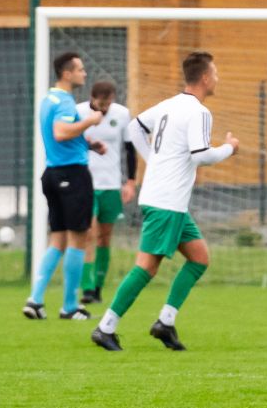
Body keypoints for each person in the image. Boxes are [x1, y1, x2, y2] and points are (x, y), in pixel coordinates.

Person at [91, 52, 238, 351]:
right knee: (146, 267)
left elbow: (134, 128)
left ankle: (165, 323)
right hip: (166, 201)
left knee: (199, 259)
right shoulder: (198, 112)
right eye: (216, 73)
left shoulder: (170, 104)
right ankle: (105, 327)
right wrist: (228, 149)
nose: (218, 79)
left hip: (169, 200)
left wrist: (154, 162)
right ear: (206, 78)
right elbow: (200, 154)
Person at [24, 53, 104, 321]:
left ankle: (35, 300)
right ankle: (70, 306)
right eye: (80, 69)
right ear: (67, 74)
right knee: (79, 238)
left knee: (57, 240)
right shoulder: (66, 103)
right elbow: (60, 132)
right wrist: (91, 121)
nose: (84, 73)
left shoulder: (49, 99)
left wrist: (88, 143)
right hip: (72, 175)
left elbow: (60, 135)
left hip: (53, 173)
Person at [77, 81, 137, 305]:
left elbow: (129, 150)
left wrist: (130, 182)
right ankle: (87, 288)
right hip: (86, 184)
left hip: (111, 185)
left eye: (108, 103)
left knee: (104, 237)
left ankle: (99, 287)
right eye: (101, 103)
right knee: (89, 235)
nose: (105, 107)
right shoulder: (79, 112)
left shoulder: (122, 114)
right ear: (92, 99)